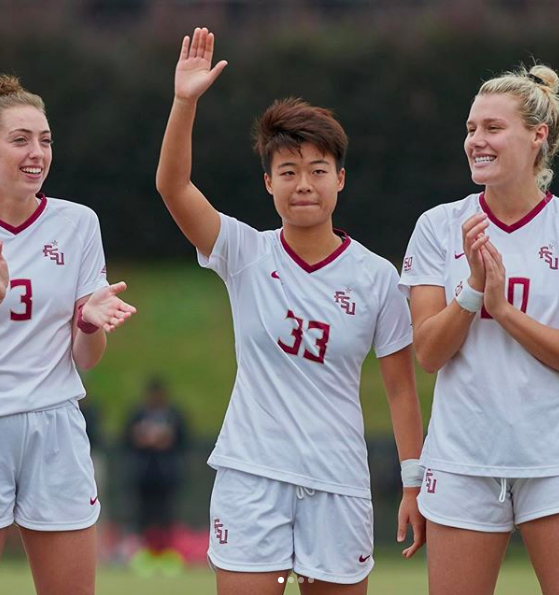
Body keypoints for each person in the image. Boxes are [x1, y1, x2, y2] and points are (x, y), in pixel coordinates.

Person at [156, 27, 424, 595]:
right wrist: (185, 103)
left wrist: (413, 484)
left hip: (339, 481)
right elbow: (174, 187)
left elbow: (401, 389)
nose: (304, 184)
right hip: (252, 476)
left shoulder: (378, 277)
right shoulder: (244, 252)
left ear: (341, 179)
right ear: (268, 184)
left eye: (318, 170)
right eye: (288, 172)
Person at [399, 63, 559, 595]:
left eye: (493, 128)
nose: (476, 141)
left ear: (538, 136)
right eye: (471, 129)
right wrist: (471, 290)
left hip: (550, 458)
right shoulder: (438, 225)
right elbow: (427, 353)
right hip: (463, 458)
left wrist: (506, 312)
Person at [0, 75, 136, 595]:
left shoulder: (77, 223)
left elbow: (88, 359)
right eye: (20, 139)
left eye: (46, 140)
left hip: (54, 425)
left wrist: (88, 322)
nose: (37, 153)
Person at [124, 377, 189, 555]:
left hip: (166, 473)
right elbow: (126, 439)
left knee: (166, 511)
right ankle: (144, 550)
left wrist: (167, 440)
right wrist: (141, 439)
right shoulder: (138, 414)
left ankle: (167, 549)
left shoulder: (173, 415)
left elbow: (183, 439)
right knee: (142, 512)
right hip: (143, 473)